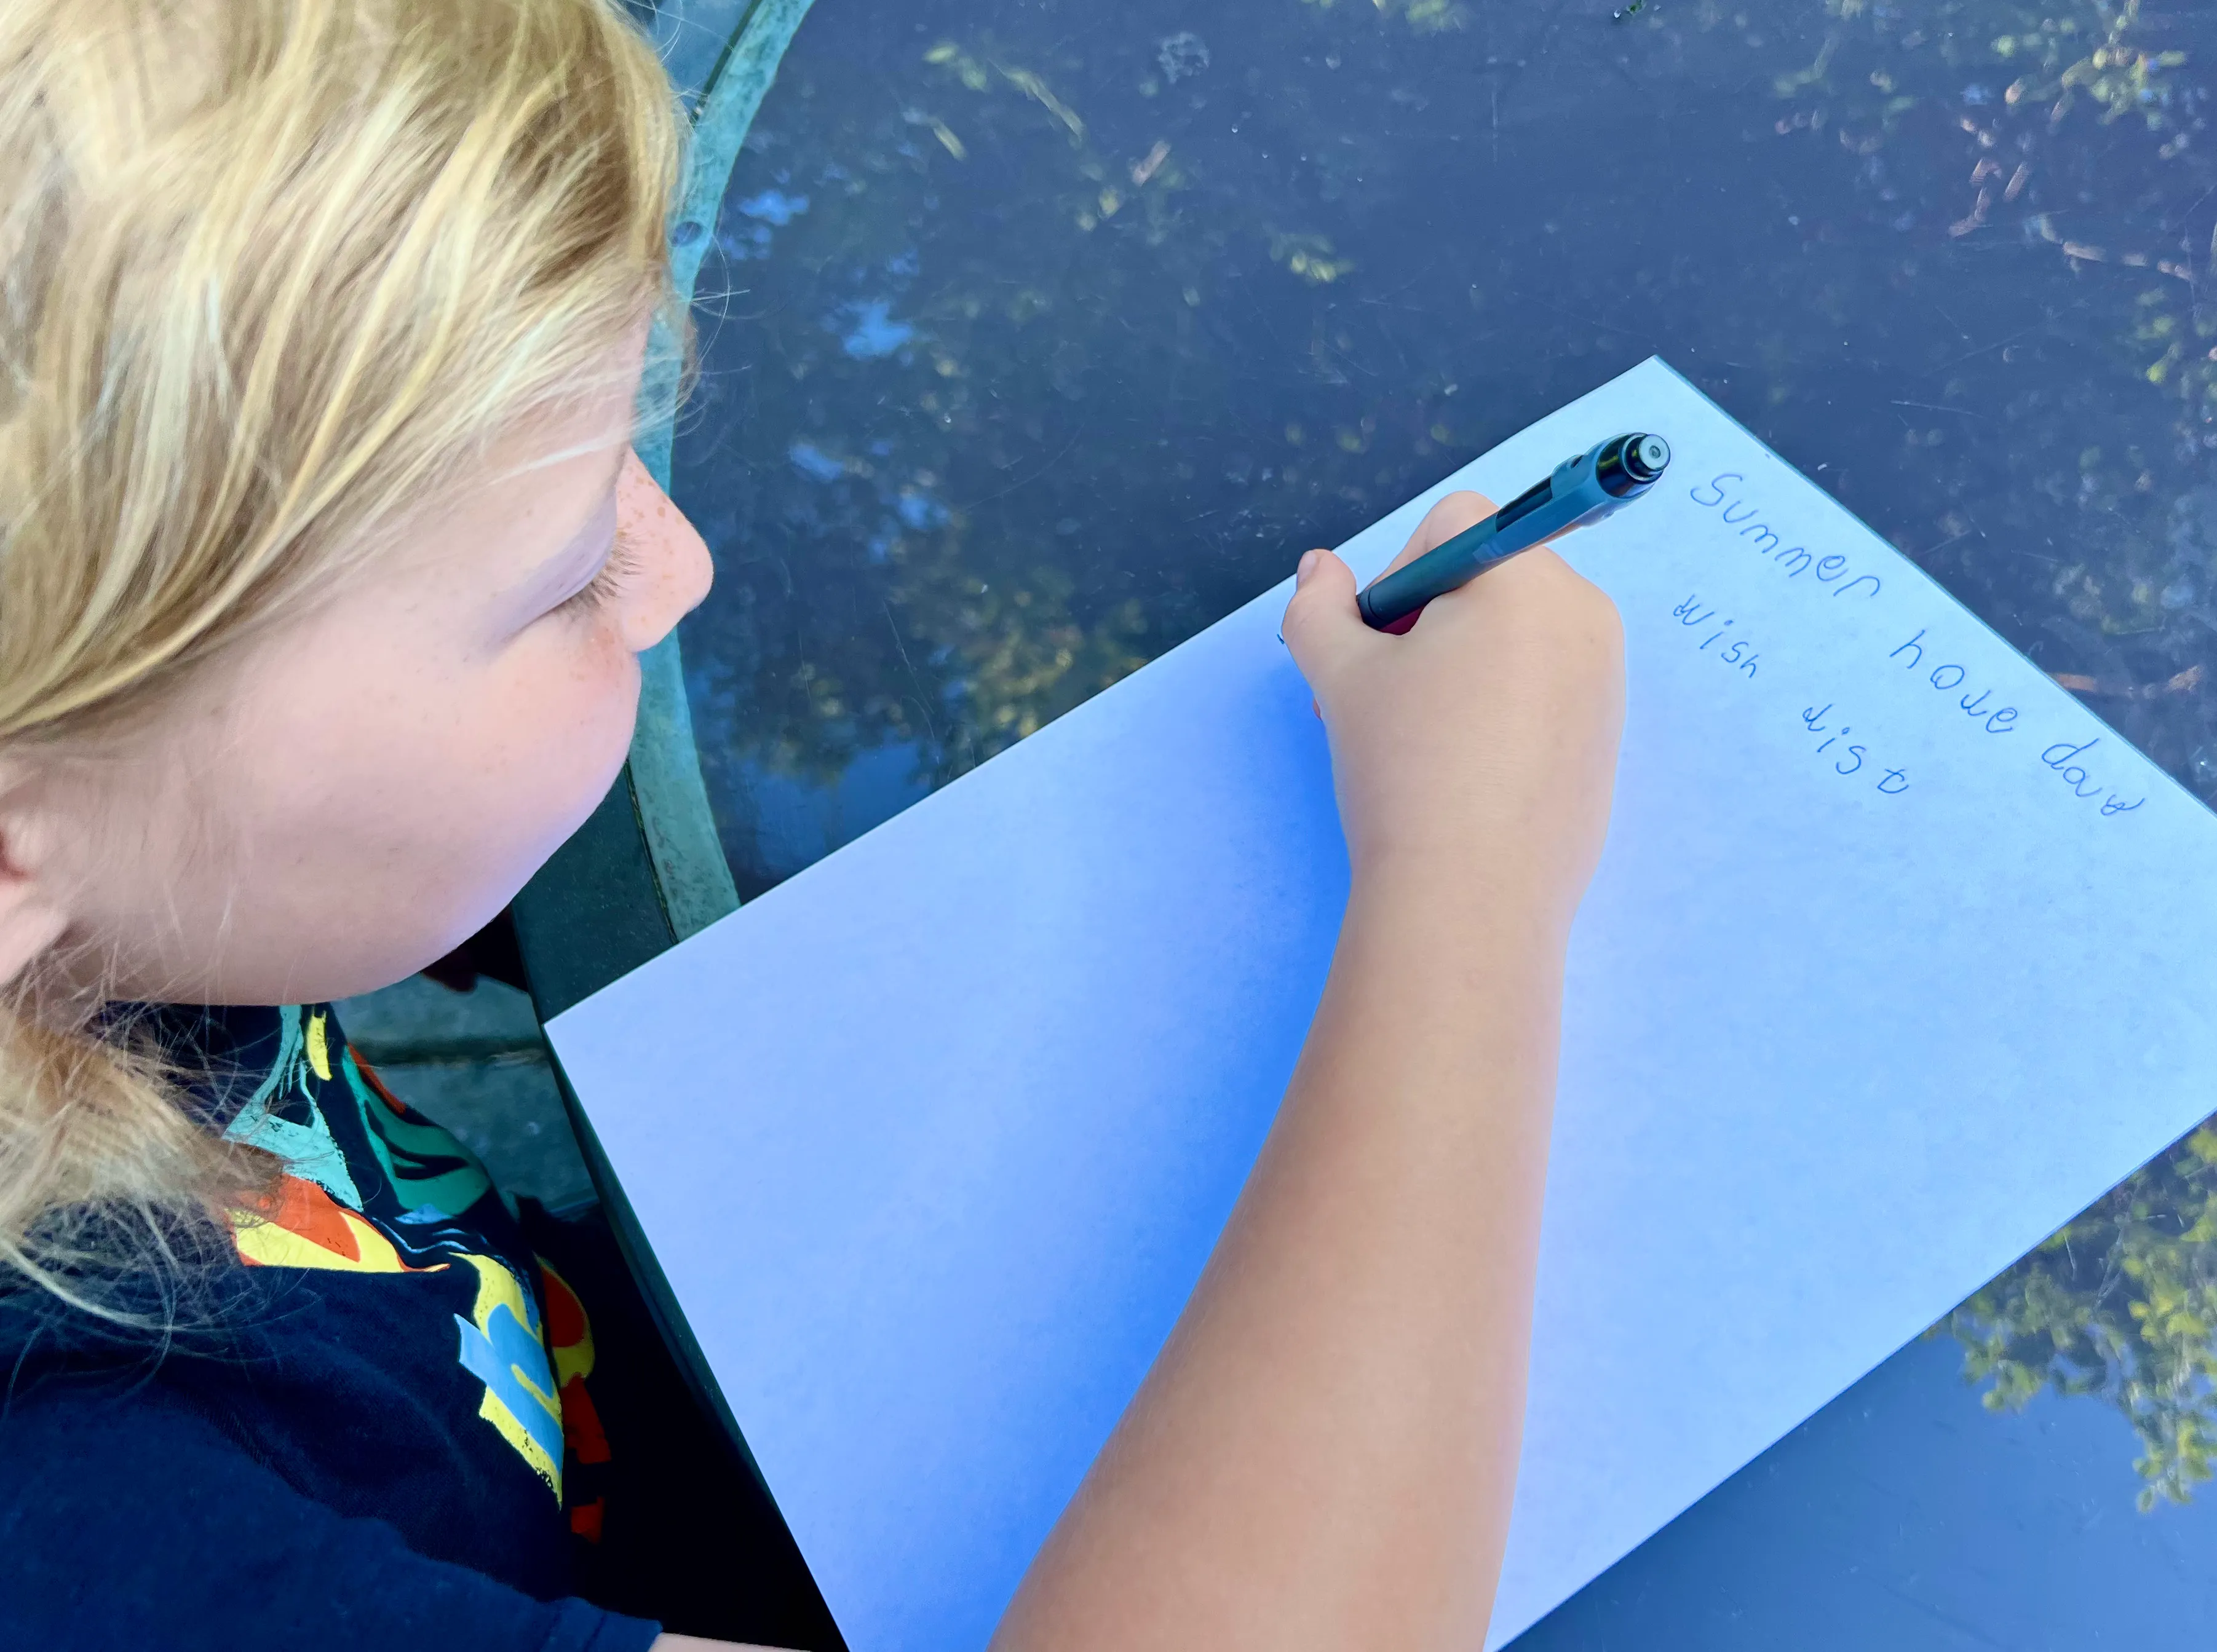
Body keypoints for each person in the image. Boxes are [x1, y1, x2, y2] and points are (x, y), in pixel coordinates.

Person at [0, 0, 1625, 1647]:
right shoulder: (94, 1533)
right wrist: (1471, 884)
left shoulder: (120, 847)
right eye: (565, 578)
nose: (677, 570)